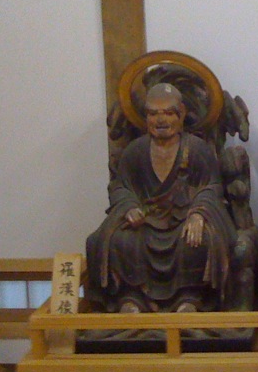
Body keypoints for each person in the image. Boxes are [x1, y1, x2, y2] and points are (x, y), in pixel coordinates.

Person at [86, 83, 237, 313]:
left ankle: (190, 298)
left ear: (181, 114)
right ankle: (132, 298)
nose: (161, 120)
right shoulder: (135, 151)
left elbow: (212, 186)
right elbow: (121, 187)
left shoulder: (197, 149)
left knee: (199, 240)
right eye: (153, 113)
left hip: (182, 220)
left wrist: (198, 214)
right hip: (145, 222)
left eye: (168, 112)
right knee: (115, 240)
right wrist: (129, 207)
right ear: (145, 117)